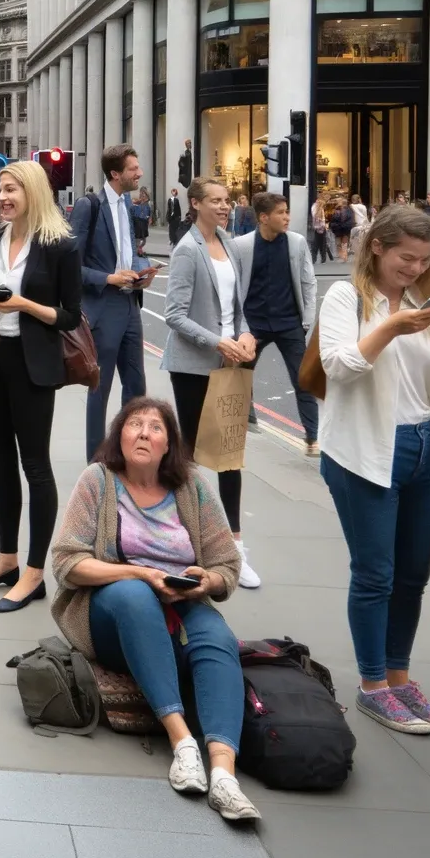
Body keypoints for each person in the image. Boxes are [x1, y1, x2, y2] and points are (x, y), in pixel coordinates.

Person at [48, 397, 257, 822]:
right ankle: (182, 744)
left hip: (180, 601)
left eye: (155, 427)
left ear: (168, 445)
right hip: (113, 612)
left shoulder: (192, 488)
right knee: (134, 596)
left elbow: (226, 566)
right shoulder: (98, 481)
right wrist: (140, 574)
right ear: (119, 437)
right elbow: (67, 561)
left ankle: (224, 775)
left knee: (217, 638)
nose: (144, 432)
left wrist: (205, 581)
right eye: (134, 424)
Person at [316, 205, 430, 736]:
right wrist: (391, 327)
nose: (414, 268)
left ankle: (400, 678)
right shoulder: (346, 298)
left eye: (425, 260)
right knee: (375, 574)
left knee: (412, 577)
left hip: (425, 450)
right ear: (378, 247)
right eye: (406, 257)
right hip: (364, 452)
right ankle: (372, 687)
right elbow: (340, 366)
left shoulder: (429, 308)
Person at [0, 161, 82, 613]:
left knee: (35, 466)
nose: (2, 197)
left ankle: (33, 574)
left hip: (33, 367)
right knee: (0, 465)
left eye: (11, 189)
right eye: (0, 190)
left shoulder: (61, 246)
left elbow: (70, 315)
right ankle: (7, 560)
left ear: (32, 191)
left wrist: (23, 303)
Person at [163, 179, 260, 589]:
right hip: (193, 366)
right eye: (216, 202)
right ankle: (182, 540)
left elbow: (238, 308)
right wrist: (217, 340)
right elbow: (174, 315)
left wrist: (246, 334)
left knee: (231, 455)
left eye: (227, 201)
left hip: (230, 363)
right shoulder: (187, 250)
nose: (225, 207)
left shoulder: (232, 245)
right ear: (196, 204)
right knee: (192, 458)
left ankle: (235, 548)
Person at [70, 143, 152, 460]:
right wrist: (108, 278)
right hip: (103, 308)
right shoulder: (89, 206)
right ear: (116, 174)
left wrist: (143, 271)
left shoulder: (126, 205)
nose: (139, 173)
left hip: (130, 305)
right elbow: (71, 267)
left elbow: (127, 254)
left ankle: (130, 452)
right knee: (99, 389)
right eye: (133, 169)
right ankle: (96, 460)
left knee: (137, 386)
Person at [234, 191, 319, 456]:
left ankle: (313, 438)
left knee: (303, 379)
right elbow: (235, 289)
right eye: (281, 213)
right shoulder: (243, 246)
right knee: (239, 375)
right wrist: (242, 327)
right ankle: (246, 420)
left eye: (287, 211)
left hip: (289, 323)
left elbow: (308, 281)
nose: (287, 217)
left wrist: (307, 321)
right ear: (263, 217)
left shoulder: (296, 243)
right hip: (254, 325)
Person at [130, 188, 153, 253]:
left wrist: (150, 219)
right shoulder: (139, 202)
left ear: (146, 195)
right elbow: (132, 207)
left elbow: (150, 211)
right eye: (141, 193)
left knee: (144, 240)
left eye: (143, 194)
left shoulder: (148, 202)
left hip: (144, 222)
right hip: (138, 221)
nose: (142, 195)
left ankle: (139, 248)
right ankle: (136, 250)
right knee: (138, 238)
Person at [309, 197, 331, 264]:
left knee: (315, 245)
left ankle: (313, 259)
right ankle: (323, 259)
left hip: (315, 229)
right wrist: (325, 226)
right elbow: (322, 221)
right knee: (322, 245)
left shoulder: (313, 208)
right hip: (321, 228)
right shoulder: (320, 210)